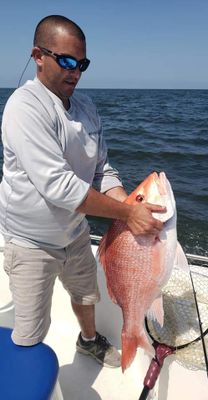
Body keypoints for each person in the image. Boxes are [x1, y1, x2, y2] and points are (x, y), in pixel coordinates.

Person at [0, 15, 165, 368]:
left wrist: (130, 202)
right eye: (67, 61)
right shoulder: (24, 107)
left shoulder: (87, 108)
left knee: (86, 294)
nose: (76, 72)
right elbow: (58, 186)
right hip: (30, 242)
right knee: (30, 332)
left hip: (75, 233)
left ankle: (88, 340)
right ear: (38, 56)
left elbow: (102, 170)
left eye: (83, 64)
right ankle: (29, 375)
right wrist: (127, 214)